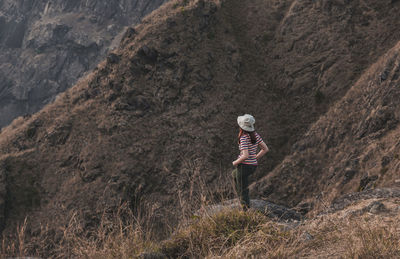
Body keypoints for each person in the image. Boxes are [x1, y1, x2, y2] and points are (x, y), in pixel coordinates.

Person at [232, 114, 269, 211]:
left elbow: (245, 155)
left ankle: (245, 208)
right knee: (234, 175)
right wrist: (255, 158)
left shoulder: (243, 137)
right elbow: (265, 149)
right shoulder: (255, 135)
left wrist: (235, 162)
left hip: (244, 166)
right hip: (253, 165)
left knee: (242, 187)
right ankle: (242, 200)